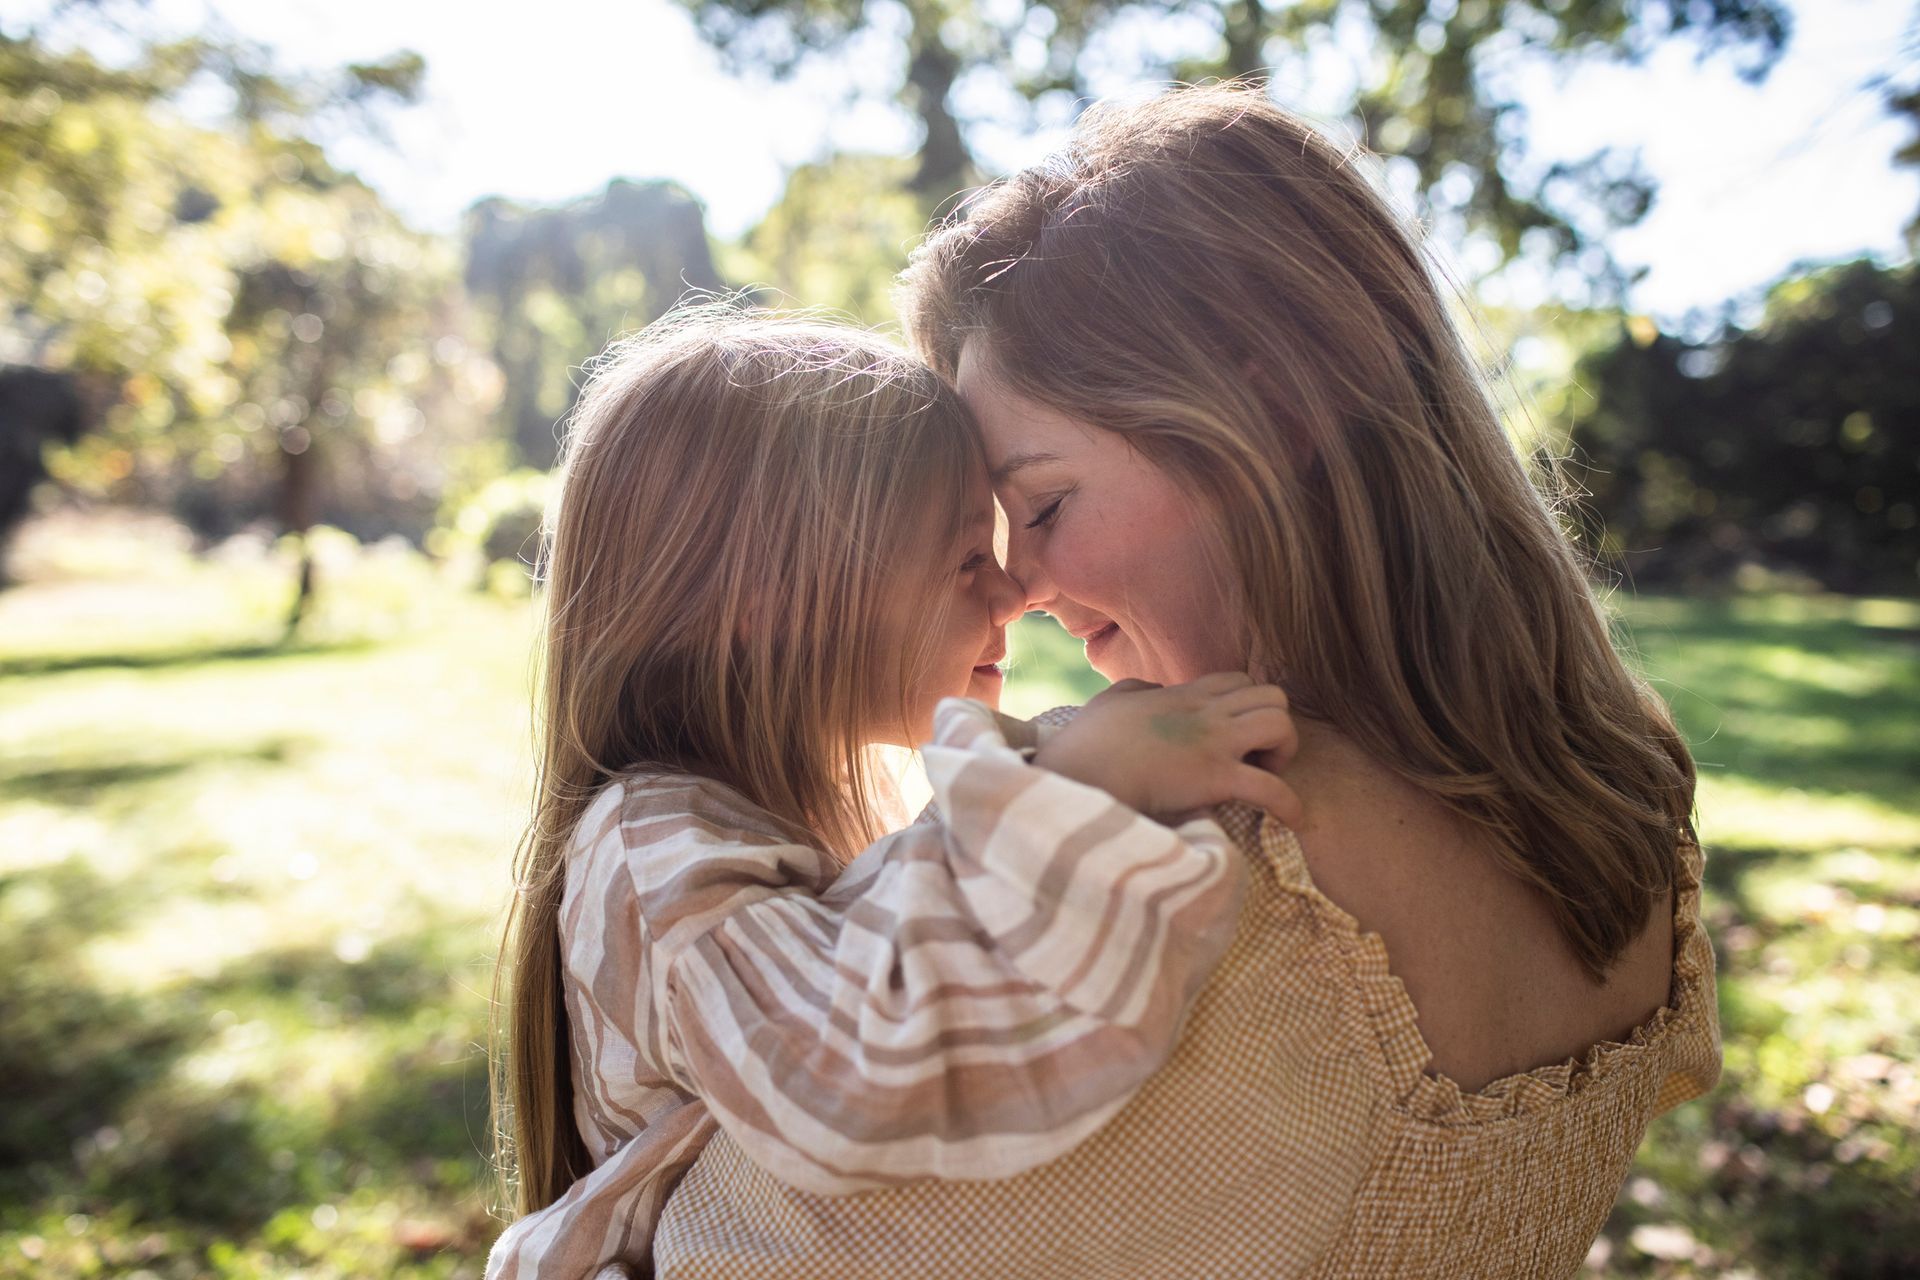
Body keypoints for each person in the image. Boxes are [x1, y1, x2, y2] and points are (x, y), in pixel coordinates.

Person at [647, 84, 1721, 1278]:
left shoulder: (1163, 851)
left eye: (1045, 504)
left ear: (1269, 407)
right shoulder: (1631, 807)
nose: (1030, 587)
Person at [485, 306, 1303, 1279]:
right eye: (967, 560)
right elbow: (843, 1073)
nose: (1015, 594)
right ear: (765, 602)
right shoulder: (649, 848)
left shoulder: (751, 817)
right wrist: (1081, 786)